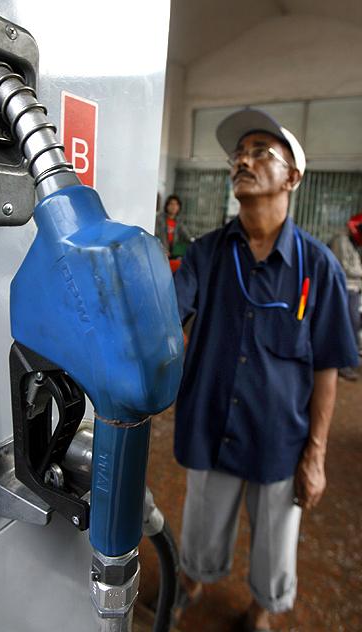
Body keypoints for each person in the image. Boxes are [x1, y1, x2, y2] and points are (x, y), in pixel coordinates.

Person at [173, 108, 359, 632]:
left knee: (276, 538)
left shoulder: (317, 267)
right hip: (211, 425)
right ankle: (193, 578)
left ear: (292, 178)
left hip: (279, 438)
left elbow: (326, 367)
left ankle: (263, 606)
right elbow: (165, 315)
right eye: (239, 154)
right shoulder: (206, 255)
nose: (244, 161)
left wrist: (316, 456)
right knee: (202, 525)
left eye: (260, 153)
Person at [329, 214, 362, 380]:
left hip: (354, 287)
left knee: (355, 322)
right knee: (349, 323)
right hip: (344, 287)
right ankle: (342, 363)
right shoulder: (341, 240)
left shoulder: (352, 242)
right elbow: (344, 266)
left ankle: (351, 357)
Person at [155, 195, 192, 265]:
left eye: (176, 204)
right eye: (171, 204)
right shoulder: (159, 219)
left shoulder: (179, 221)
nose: (174, 207)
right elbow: (155, 237)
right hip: (160, 253)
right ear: (167, 206)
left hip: (173, 254)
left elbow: (187, 236)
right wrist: (163, 249)